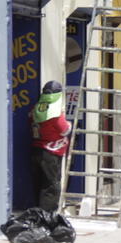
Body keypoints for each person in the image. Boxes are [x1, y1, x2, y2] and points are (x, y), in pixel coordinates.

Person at [29, 80, 71, 212]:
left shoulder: (37, 108)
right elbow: (64, 130)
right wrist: (69, 123)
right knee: (51, 185)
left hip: (37, 149)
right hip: (51, 153)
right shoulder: (55, 113)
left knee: (39, 184)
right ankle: (47, 216)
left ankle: (38, 213)